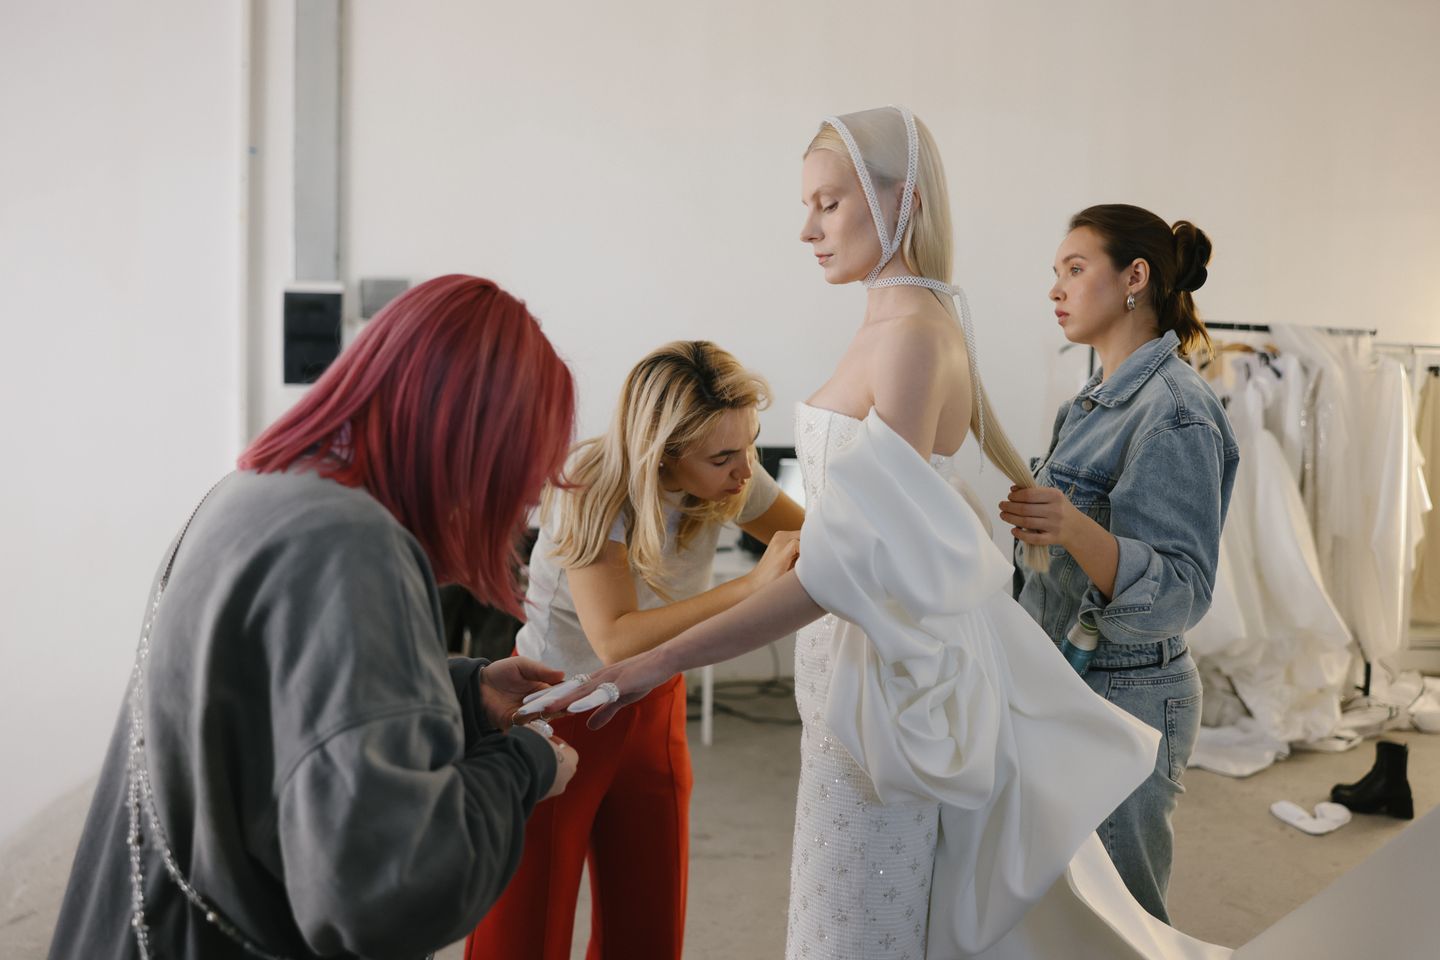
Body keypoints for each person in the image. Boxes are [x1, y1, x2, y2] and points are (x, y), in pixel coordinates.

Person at [553, 109, 1228, 958]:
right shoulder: (899, 323)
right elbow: (852, 544)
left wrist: (651, 665)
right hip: (853, 680)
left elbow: (849, 570)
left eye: (828, 204)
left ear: (900, 201)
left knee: (856, 925)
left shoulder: (911, 336)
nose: (808, 230)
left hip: (879, 695)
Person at [49, 275, 580, 960]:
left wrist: (461, 695)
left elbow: (274, 709)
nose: (520, 506)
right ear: (473, 446)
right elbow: (391, 889)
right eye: (520, 478)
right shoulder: (352, 546)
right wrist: (525, 766)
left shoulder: (260, 491)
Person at [467, 340, 804, 960]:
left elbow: (806, 535)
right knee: (527, 928)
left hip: (654, 699)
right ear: (664, 452)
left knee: (649, 917)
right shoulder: (592, 484)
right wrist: (751, 585)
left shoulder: (731, 471)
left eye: (750, 445)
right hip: (558, 705)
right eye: (723, 457)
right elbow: (615, 639)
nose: (744, 470)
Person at [1001, 205, 1238, 922]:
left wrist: (1072, 528)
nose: (1056, 289)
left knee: (1123, 922)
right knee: (1066, 915)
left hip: (1128, 694)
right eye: (1056, 272)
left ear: (1135, 277)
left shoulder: (1176, 412)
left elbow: (1182, 592)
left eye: (1075, 269)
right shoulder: (1090, 406)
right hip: (1067, 678)